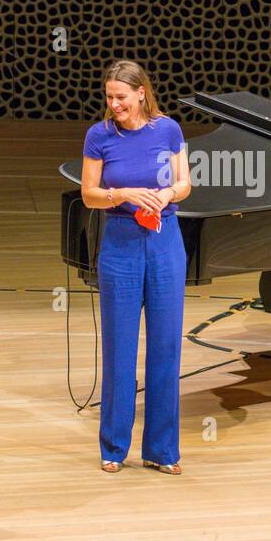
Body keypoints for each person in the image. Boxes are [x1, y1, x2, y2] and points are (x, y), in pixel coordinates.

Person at [80, 60, 191, 475]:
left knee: (166, 348)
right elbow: (89, 194)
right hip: (120, 245)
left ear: (141, 93)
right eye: (109, 97)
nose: (114, 104)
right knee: (119, 349)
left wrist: (166, 195)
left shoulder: (168, 130)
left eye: (121, 97)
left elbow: (185, 183)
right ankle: (114, 447)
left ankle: (162, 450)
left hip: (165, 243)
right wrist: (120, 192)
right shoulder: (99, 136)